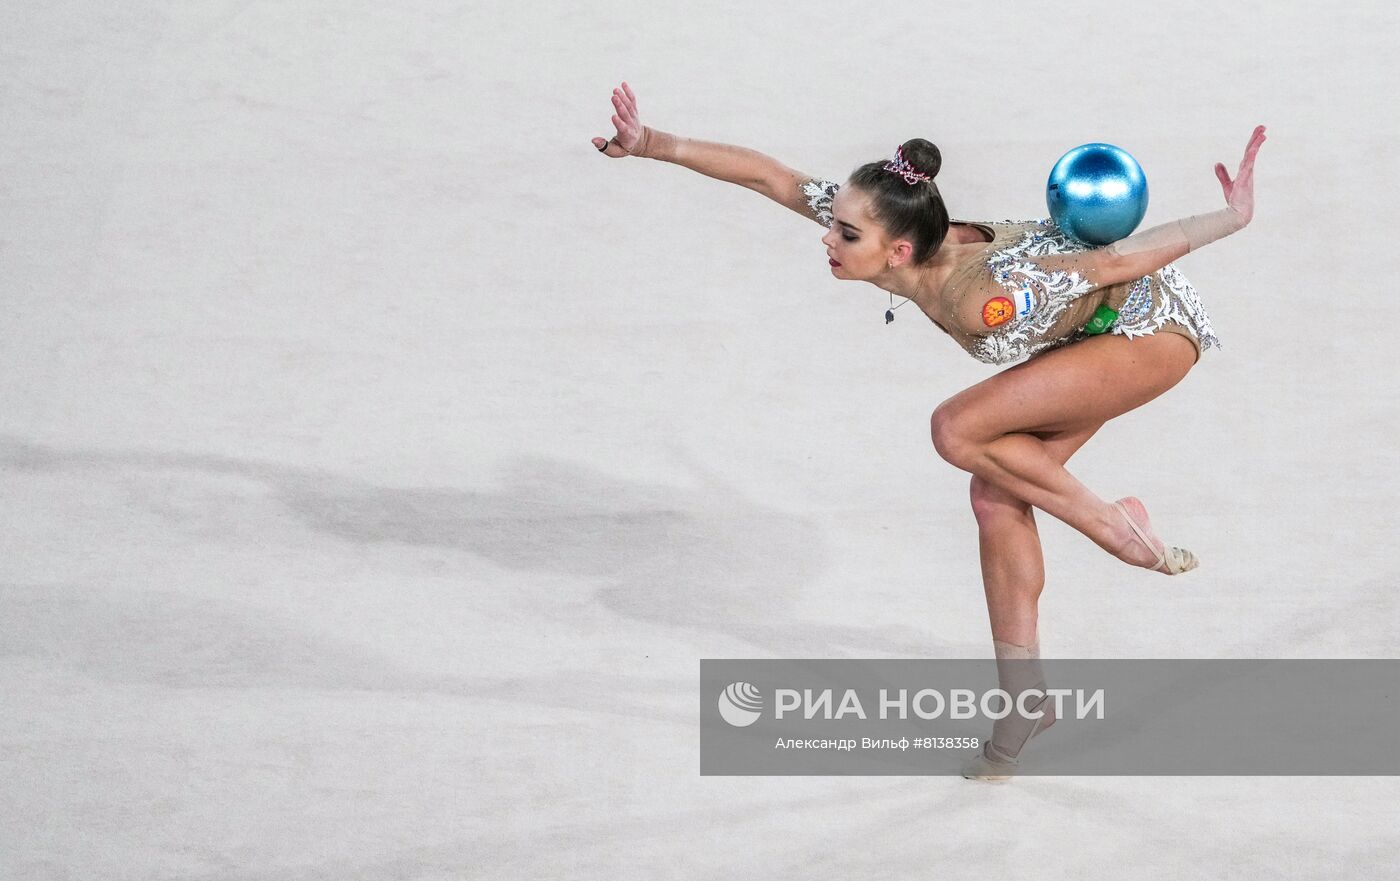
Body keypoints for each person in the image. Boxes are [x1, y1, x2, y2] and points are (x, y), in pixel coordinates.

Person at [592, 82, 1267, 780]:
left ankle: (1117, 530)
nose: (827, 235)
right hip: (1090, 331)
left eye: (847, 235)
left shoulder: (981, 300)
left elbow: (1114, 263)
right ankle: (1024, 695)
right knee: (994, 495)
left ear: (898, 253)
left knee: (956, 426)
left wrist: (1231, 219)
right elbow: (774, 177)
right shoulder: (896, 231)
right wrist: (652, 144)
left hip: (1145, 332)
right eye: (836, 223)